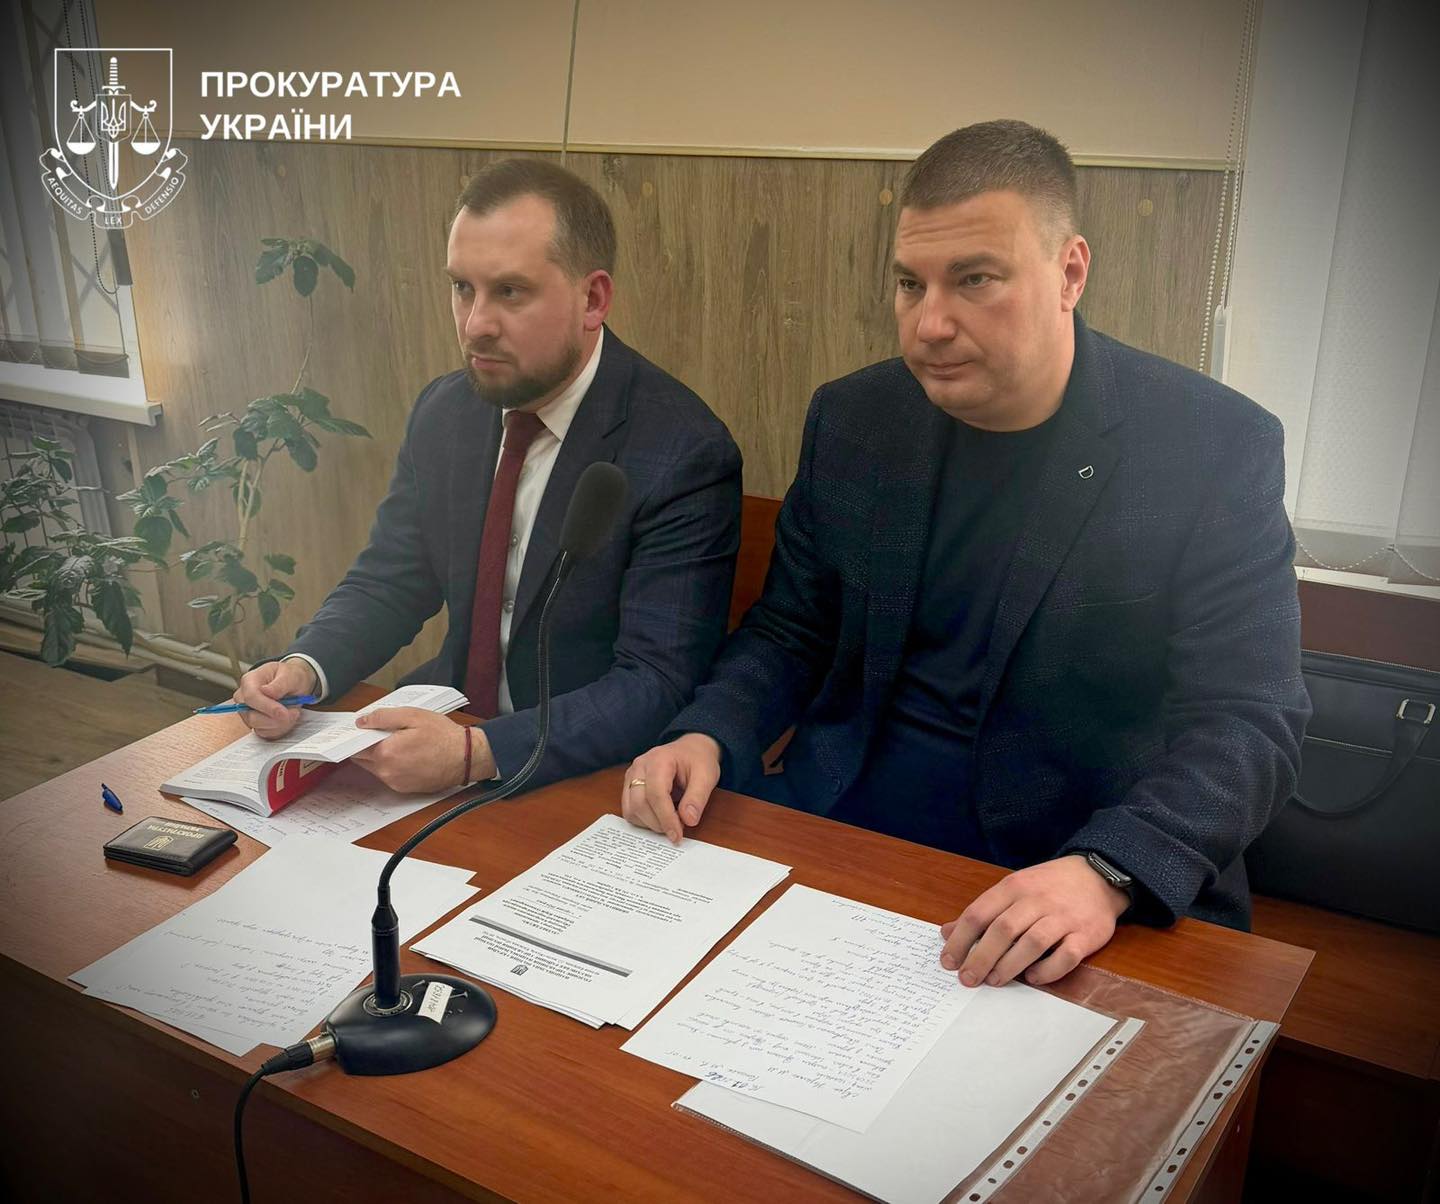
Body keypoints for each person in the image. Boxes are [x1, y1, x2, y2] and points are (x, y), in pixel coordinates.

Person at [621, 120, 1309, 992]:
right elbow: (791, 629)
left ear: (1070, 273)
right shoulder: (856, 419)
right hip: (845, 828)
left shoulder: (1210, 445)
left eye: (975, 280)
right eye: (910, 283)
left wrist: (1106, 869)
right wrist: (708, 731)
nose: (930, 324)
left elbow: (1250, 719)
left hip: (1065, 869)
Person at [232, 158, 742, 794]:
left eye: (510, 292)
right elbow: (393, 579)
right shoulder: (445, 411)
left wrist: (479, 752)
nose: (475, 324)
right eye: (461, 288)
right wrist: (306, 667)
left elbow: (655, 681)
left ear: (592, 299)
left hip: (582, 773)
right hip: (440, 730)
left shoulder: (683, 451)